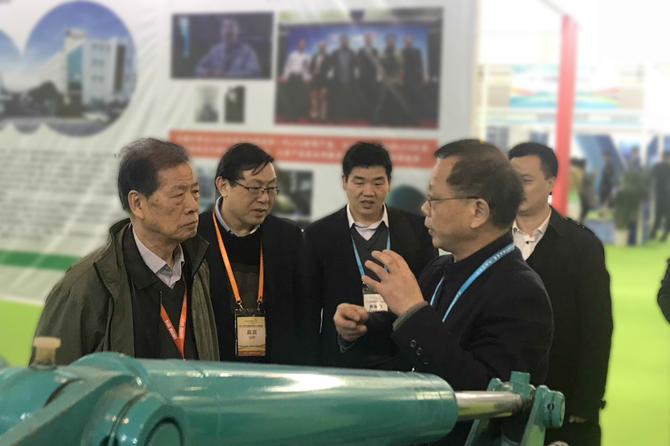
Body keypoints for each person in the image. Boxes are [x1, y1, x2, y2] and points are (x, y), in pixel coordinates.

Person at [333, 139, 553, 445]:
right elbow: (411, 339)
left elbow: (486, 398)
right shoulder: (441, 268)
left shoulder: (521, 292)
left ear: (478, 211)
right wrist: (363, 326)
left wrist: (412, 311)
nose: (425, 209)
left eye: (434, 199)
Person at [32, 138, 219, 364]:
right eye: (178, 195)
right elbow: (51, 377)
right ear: (137, 203)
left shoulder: (198, 267)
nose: (192, 206)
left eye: (195, 192)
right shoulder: (86, 285)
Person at [509, 142, 613, 446]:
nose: (517, 188)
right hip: (499, 394)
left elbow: (597, 328)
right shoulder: (489, 239)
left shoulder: (582, 245)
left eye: (526, 180)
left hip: (561, 399)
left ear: (551, 183)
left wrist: (586, 402)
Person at [304, 142, 436, 368]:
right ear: (344, 182)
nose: (368, 192)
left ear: (389, 183)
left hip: (402, 357)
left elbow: (429, 296)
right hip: (340, 359)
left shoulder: (418, 230)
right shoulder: (318, 235)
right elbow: (309, 310)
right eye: (359, 182)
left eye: (377, 183)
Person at [197, 143, 306, 364]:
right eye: (254, 188)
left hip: (274, 369)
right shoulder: (195, 236)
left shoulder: (287, 237)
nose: (264, 199)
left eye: (271, 189)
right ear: (223, 186)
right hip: (213, 367)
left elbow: (304, 314)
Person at [195, 18, 260, 78]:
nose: (227, 31)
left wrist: (228, 75)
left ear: (238, 30)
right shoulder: (214, 50)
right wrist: (204, 72)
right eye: (224, 27)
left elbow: (254, 73)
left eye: (231, 27)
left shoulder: (247, 51)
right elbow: (198, 68)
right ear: (220, 31)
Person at [376, 34, 409, 126]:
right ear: (386, 41)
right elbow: (379, 67)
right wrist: (379, 78)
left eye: (392, 40)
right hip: (385, 81)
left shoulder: (398, 52)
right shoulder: (382, 52)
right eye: (389, 40)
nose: (390, 42)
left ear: (394, 41)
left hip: (396, 81)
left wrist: (400, 80)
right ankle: (380, 121)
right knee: (382, 101)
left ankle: (396, 121)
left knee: (396, 102)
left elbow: (401, 67)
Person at [279, 38, 311, 121]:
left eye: (303, 44)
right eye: (300, 44)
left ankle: (295, 117)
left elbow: (306, 69)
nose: (301, 45)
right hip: (292, 77)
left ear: (305, 46)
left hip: (300, 78)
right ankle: (288, 116)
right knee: (289, 97)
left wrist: (307, 78)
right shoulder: (292, 55)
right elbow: (287, 66)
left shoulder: (307, 57)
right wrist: (285, 77)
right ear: (298, 45)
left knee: (297, 98)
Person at [329, 34, 358, 122]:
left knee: (350, 99)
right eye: (343, 40)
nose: (344, 42)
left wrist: (356, 77)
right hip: (338, 79)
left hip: (349, 79)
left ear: (348, 42)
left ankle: (349, 117)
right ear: (340, 42)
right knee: (339, 99)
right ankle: (338, 117)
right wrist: (330, 77)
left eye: (346, 40)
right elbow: (331, 65)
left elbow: (356, 66)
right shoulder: (335, 52)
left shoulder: (352, 52)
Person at [401, 34, 427, 123]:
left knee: (415, 100)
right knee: (405, 99)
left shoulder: (417, 51)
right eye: (406, 40)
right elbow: (400, 66)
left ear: (412, 41)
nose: (408, 42)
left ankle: (415, 118)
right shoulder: (401, 52)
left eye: (410, 40)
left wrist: (423, 78)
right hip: (405, 80)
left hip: (416, 79)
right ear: (404, 42)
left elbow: (421, 65)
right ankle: (406, 118)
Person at [357, 33, 380, 123]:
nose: (368, 40)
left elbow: (377, 64)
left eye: (369, 39)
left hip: (372, 77)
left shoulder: (375, 51)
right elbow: (358, 64)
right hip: (362, 77)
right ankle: (363, 116)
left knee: (372, 97)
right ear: (364, 40)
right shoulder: (360, 51)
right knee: (363, 97)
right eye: (366, 39)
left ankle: (372, 117)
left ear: (371, 40)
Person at [650, 150, 670, 241]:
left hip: (659, 194)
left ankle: (654, 233)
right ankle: (664, 234)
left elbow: (650, 176)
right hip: (667, 195)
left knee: (658, 215)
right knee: (667, 216)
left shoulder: (657, 166)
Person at [309, 41, 330, 121]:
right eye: (320, 47)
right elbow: (310, 67)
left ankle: (322, 116)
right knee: (314, 99)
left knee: (323, 99)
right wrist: (312, 71)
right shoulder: (314, 56)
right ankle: (314, 114)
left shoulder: (328, 57)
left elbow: (329, 69)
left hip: (324, 80)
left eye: (323, 47)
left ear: (325, 48)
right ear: (318, 47)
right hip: (315, 80)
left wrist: (320, 72)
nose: (322, 48)